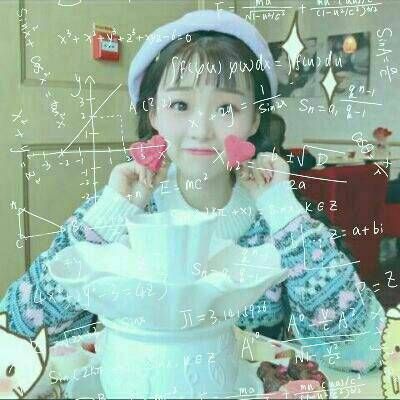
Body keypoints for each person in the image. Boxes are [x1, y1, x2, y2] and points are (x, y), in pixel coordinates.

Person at [0, 10, 384, 373]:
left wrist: (282, 209)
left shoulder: (279, 223)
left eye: (226, 108)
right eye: (180, 104)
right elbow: (15, 336)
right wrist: (109, 216)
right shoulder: (122, 215)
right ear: (153, 113)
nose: (200, 130)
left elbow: (360, 352)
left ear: (254, 119)